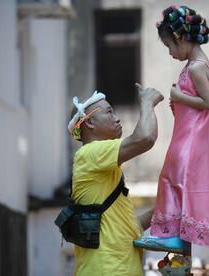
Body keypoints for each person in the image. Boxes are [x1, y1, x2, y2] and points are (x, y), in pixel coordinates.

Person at [134, 5, 209, 253]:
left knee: (175, 178)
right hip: (187, 135)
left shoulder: (196, 67)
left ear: (181, 38)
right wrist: (180, 102)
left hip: (191, 140)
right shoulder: (196, 64)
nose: (170, 53)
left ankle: (173, 234)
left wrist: (178, 95)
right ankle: (173, 233)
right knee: (171, 178)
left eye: (169, 46)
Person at [67, 84, 164, 276]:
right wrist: (146, 103)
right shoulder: (90, 153)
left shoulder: (104, 169)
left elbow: (130, 228)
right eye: (109, 112)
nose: (117, 118)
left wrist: (167, 208)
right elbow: (145, 138)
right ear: (90, 123)